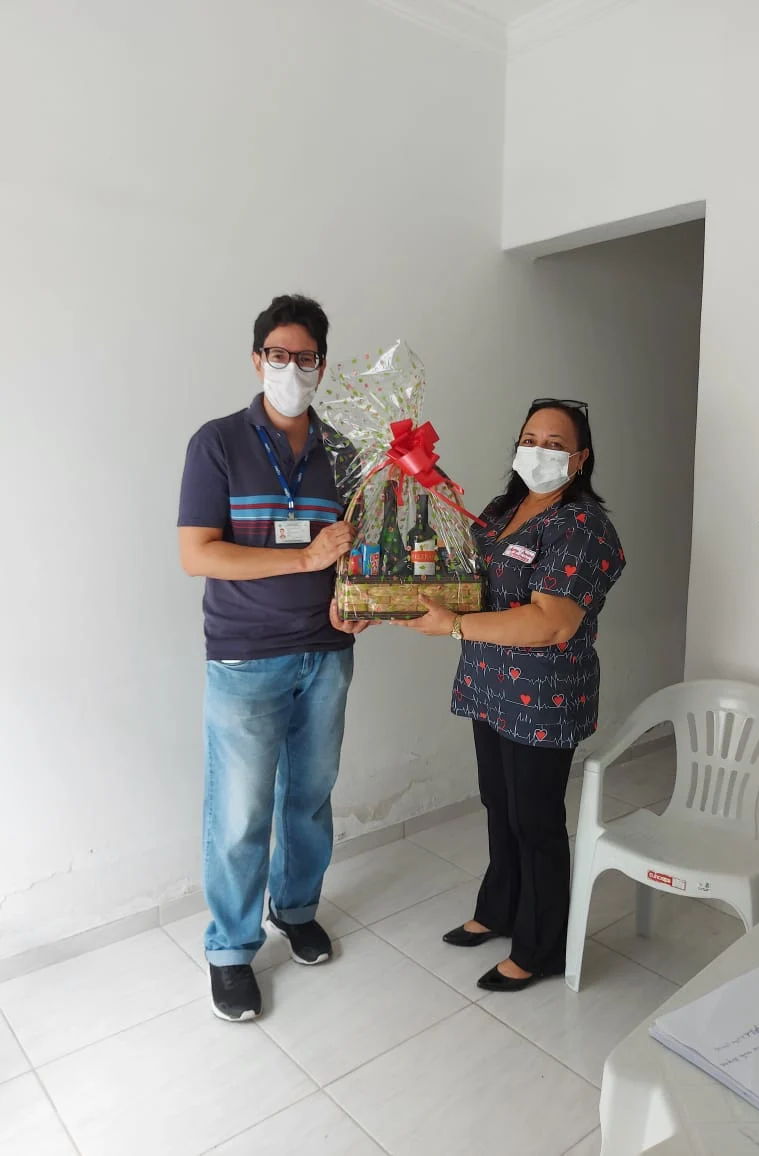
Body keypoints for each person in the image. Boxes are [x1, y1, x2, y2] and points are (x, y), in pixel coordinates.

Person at [177, 294, 367, 1022]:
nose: (292, 369)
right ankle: (230, 948)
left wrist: (360, 599)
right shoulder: (217, 443)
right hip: (246, 657)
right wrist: (303, 558)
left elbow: (357, 551)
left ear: (323, 365)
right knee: (240, 811)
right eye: (278, 355)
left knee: (310, 796)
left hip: (326, 652)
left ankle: (295, 908)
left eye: (306, 357)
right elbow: (198, 554)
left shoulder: (345, 452)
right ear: (257, 360)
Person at [397, 399, 625, 991]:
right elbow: (464, 572)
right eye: (529, 439)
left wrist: (452, 625)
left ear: (580, 459)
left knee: (535, 819)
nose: (538, 451)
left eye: (554, 444)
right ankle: (499, 909)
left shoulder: (581, 527)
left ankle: (542, 945)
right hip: (490, 684)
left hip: (543, 697)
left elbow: (552, 623)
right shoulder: (504, 510)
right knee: (499, 804)